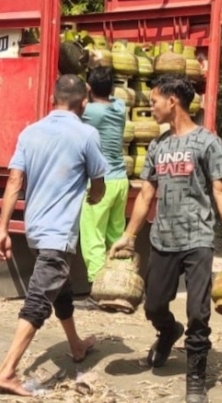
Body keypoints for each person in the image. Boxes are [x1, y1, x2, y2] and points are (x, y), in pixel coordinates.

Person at [109, 73, 222, 403]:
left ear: (172, 101)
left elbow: (221, 189)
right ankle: (167, 331)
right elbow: (146, 194)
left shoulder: (207, 142)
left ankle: (196, 379)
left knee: (198, 313)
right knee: (154, 304)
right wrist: (128, 236)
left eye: (154, 102)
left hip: (198, 239)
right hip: (162, 237)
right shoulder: (158, 145)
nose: (150, 108)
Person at [0, 74, 110, 396]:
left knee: (62, 290)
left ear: (52, 99)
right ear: (83, 103)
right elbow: (99, 182)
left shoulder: (29, 133)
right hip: (58, 235)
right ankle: (6, 372)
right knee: (38, 302)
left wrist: (3, 230)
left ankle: (75, 345)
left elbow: (14, 182)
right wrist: (95, 195)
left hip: (35, 231)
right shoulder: (86, 134)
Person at [78, 66, 130, 296]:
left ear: (89, 88)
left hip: (101, 183)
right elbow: (113, 98)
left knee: (93, 236)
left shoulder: (90, 112)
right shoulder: (120, 107)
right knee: (116, 236)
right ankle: (124, 282)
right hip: (121, 181)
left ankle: (98, 289)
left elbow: (73, 107)